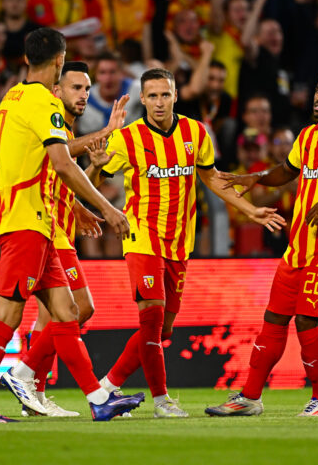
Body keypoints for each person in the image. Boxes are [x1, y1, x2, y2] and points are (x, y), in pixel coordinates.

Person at [0, 27, 144, 423]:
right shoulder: (46, 105)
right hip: (27, 222)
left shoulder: (11, 99)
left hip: (34, 222)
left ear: (27, 59)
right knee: (7, 315)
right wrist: (109, 210)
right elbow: (62, 163)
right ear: (59, 63)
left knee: (67, 311)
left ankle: (97, 399)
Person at [85, 68, 286, 418]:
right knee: (151, 321)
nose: (159, 102)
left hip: (180, 244)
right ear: (142, 99)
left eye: (166, 95)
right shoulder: (127, 138)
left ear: (175, 95)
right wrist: (95, 167)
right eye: (153, 96)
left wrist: (250, 210)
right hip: (142, 237)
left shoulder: (196, 132)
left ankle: (106, 388)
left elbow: (213, 178)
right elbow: (86, 185)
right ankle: (161, 401)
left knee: (162, 329)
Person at [205, 72, 318, 417]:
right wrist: (255, 177)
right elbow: (288, 171)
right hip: (299, 249)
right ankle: (249, 398)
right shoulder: (306, 136)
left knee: (306, 320)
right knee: (274, 319)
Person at [14, 60, 131, 417]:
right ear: (57, 90)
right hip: (45, 227)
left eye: (87, 88)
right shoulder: (48, 121)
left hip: (59, 227)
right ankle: (24, 374)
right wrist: (108, 130)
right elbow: (59, 163)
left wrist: (91, 173)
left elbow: (63, 177)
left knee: (52, 317)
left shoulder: (63, 126)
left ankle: (33, 394)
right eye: (76, 88)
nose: (84, 95)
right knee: (76, 310)